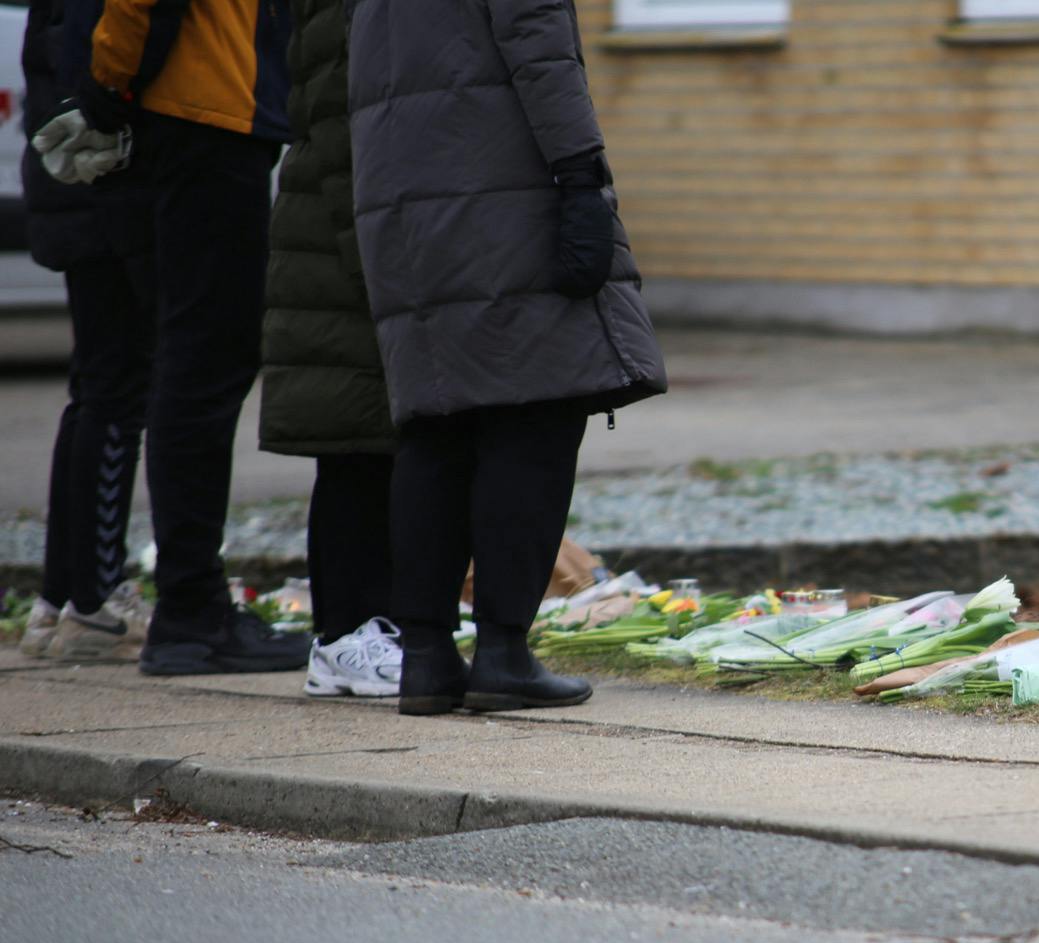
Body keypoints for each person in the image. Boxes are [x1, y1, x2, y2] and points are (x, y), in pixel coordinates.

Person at [344, 0, 666, 716]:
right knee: (537, 411)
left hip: (400, 193)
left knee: (438, 421)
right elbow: (541, 52)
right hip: (499, 186)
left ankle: (425, 659)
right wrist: (581, 179)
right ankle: (503, 653)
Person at [40, 0, 308, 675]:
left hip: (193, 120)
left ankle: (187, 606)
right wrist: (108, 90)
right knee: (203, 364)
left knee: (184, 365)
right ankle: (191, 611)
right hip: (203, 121)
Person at [258, 0, 400, 698]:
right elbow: (348, 138)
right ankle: (345, 637)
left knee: (368, 448)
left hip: (336, 250)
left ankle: (360, 630)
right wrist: (379, 262)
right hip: (342, 260)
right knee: (355, 451)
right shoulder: (345, 15)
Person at [17, 0, 152, 663]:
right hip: (101, 189)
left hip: (71, 185)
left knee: (95, 390)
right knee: (115, 394)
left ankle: (63, 595)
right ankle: (95, 601)